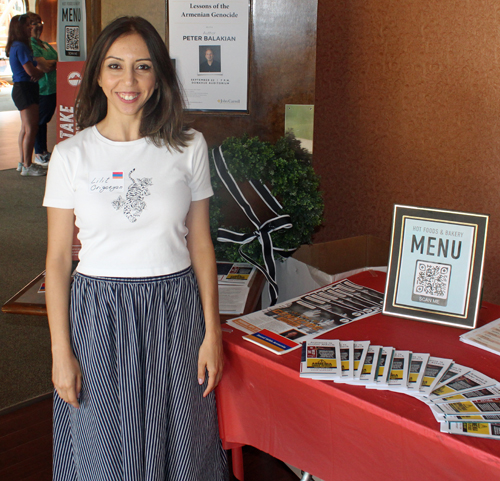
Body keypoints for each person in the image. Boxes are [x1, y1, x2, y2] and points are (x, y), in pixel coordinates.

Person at [43, 16, 228, 480]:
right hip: (97, 313)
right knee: (104, 448)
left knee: (181, 440)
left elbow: (202, 245)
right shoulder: (71, 156)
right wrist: (60, 353)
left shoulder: (189, 146)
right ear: (98, 76)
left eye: (143, 67)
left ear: (159, 75)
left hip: (175, 308)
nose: (129, 81)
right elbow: (59, 260)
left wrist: (212, 332)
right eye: (115, 66)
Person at [6, 13, 46, 176]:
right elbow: (30, 70)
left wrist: (38, 71)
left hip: (23, 88)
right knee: (31, 127)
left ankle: (23, 163)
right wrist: (41, 72)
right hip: (25, 88)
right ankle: (28, 165)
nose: (32, 27)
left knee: (25, 127)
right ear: (20, 28)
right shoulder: (20, 46)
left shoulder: (18, 45)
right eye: (28, 25)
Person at [28, 12, 57, 168]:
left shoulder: (44, 44)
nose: (38, 25)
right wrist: (52, 64)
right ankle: (39, 153)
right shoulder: (30, 45)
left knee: (44, 121)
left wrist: (52, 63)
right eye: (34, 23)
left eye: (40, 21)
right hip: (41, 89)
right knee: (39, 121)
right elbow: (44, 67)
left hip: (53, 87)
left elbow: (56, 61)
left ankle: (44, 151)